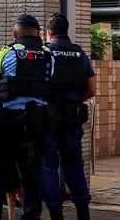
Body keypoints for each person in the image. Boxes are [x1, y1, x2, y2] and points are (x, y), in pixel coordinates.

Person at [0, 14, 52, 220]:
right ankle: (31, 216)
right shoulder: (48, 54)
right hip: (36, 121)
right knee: (32, 175)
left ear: (15, 33)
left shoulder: (8, 52)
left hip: (7, 120)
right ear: (37, 33)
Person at [40, 13, 96, 220]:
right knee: (74, 164)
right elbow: (91, 90)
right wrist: (73, 101)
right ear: (66, 31)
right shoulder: (79, 54)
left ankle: (56, 213)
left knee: (49, 166)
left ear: (48, 33)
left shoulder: (45, 53)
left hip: (49, 117)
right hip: (73, 116)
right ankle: (83, 211)